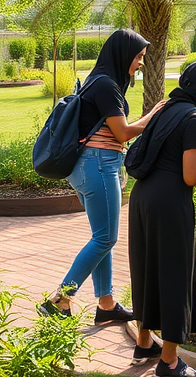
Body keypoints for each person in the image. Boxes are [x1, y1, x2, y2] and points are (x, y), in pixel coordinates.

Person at [39, 29, 163, 324]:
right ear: (122, 55)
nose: (140, 63)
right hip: (97, 165)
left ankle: (106, 304)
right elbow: (122, 132)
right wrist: (154, 114)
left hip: (90, 166)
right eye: (138, 57)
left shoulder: (98, 81)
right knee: (106, 238)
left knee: (101, 238)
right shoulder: (106, 86)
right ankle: (60, 299)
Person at [128, 60, 196, 377]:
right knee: (174, 275)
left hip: (142, 198)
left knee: (148, 268)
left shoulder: (166, 107)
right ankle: (168, 363)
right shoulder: (194, 119)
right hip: (170, 202)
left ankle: (144, 344)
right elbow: (191, 175)